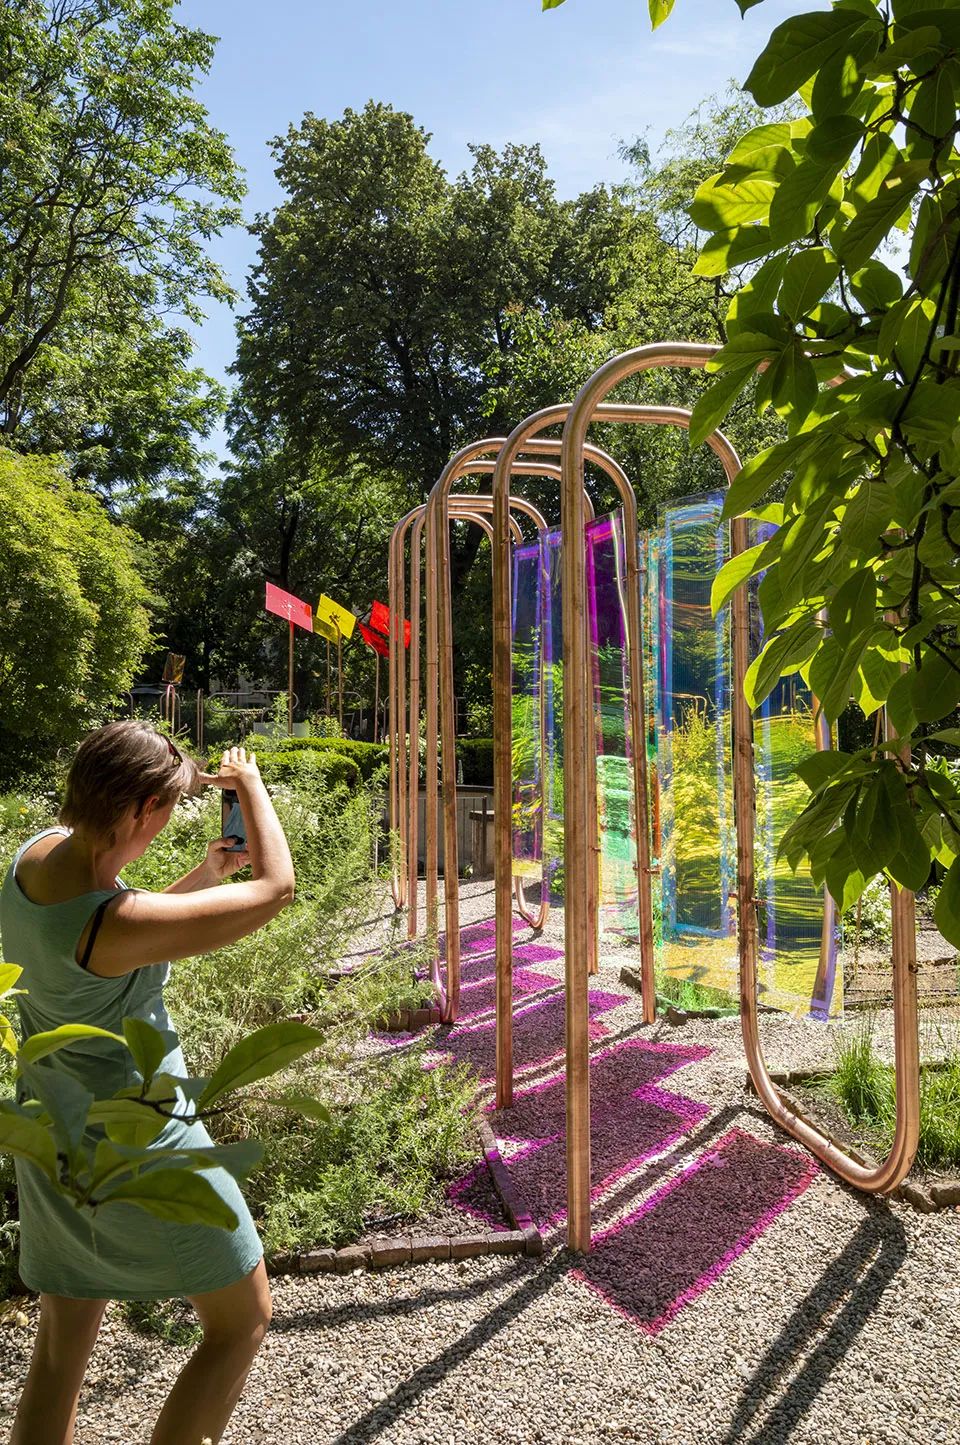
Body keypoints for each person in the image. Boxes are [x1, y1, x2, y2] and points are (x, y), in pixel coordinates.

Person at [1, 723, 295, 1445]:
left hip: (56, 1139)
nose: (167, 822)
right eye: (167, 808)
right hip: (144, 1146)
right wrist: (251, 786)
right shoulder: (109, 920)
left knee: (61, 1347)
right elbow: (276, 888)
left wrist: (204, 876)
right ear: (140, 809)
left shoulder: (34, 858)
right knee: (241, 1320)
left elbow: (109, 945)